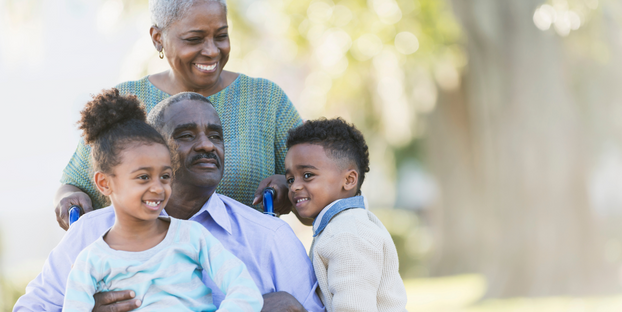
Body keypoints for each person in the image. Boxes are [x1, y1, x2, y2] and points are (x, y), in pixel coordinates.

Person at [14, 93, 324, 312]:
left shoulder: (269, 238)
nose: (206, 144)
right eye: (186, 135)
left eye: (215, 136)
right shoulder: (89, 238)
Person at [55, 0, 313, 230]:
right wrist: (70, 198)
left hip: (248, 265)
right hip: (148, 269)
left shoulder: (265, 100)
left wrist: (289, 185)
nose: (212, 50)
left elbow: (320, 181)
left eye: (221, 36)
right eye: (194, 39)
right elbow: (75, 184)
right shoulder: (126, 103)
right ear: (158, 37)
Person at [62, 89, 262, 311]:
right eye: (143, 177)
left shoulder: (192, 237)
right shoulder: (89, 262)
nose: (158, 188)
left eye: (165, 176)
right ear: (104, 183)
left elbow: (245, 290)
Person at [284, 118, 408, 312]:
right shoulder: (343, 225)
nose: (295, 186)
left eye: (307, 175)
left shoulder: (346, 233)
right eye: (290, 179)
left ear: (349, 180)